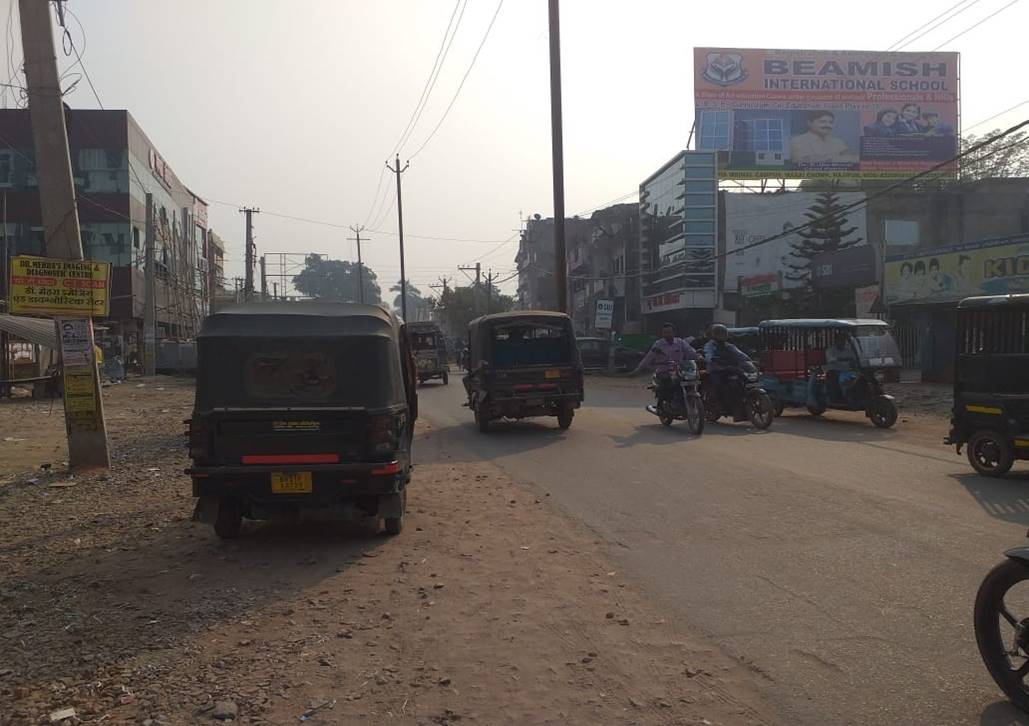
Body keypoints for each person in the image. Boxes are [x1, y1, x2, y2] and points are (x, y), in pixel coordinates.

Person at [631, 323, 698, 399]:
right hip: (664, 372)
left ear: (674, 333)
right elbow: (648, 358)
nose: (667, 334)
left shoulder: (681, 342)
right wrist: (638, 369)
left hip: (680, 371)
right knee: (665, 389)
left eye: (669, 332)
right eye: (665, 332)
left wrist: (698, 356)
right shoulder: (658, 344)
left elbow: (690, 352)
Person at [703, 324, 751, 407]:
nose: (721, 336)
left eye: (723, 334)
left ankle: (741, 400)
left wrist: (749, 360)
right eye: (718, 334)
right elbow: (707, 354)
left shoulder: (729, 345)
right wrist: (712, 359)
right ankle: (720, 403)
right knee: (718, 385)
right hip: (715, 370)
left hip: (729, 369)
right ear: (713, 335)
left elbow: (739, 354)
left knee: (742, 379)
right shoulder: (709, 345)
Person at [789, 111, 858, 167]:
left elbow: (853, 159)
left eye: (830, 122)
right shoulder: (796, 141)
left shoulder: (838, 141)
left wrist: (827, 159)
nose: (827, 125)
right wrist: (837, 159)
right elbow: (802, 163)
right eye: (822, 122)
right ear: (809, 123)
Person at [825, 332, 858, 402]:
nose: (842, 342)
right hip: (835, 371)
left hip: (847, 371)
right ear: (836, 340)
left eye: (843, 340)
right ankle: (840, 397)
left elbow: (854, 359)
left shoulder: (848, 351)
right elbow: (831, 359)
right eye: (840, 340)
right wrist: (841, 359)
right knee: (838, 378)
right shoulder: (830, 350)